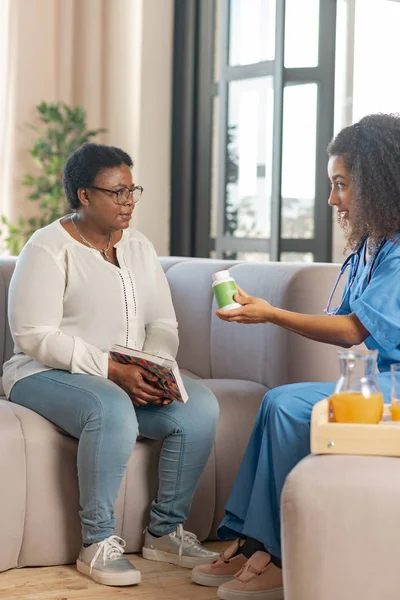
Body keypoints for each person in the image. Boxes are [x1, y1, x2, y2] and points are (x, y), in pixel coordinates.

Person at [191, 113, 400, 600]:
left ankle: (282, 556)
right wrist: (263, 311)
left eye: (341, 185)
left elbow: (351, 330)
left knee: (288, 406)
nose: (332, 200)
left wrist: (270, 314)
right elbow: (346, 323)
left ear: (377, 183)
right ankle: (253, 541)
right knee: (277, 401)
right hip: (385, 381)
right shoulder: (372, 245)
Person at [2, 143, 220, 587]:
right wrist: (109, 369)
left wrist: (154, 367)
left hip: (127, 374)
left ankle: (164, 532)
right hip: (43, 374)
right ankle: (96, 542)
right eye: (117, 193)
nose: (129, 203)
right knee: (110, 409)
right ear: (84, 195)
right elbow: (34, 335)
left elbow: (162, 321)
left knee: (199, 408)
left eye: (132, 191)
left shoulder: (139, 246)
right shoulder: (47, 248)